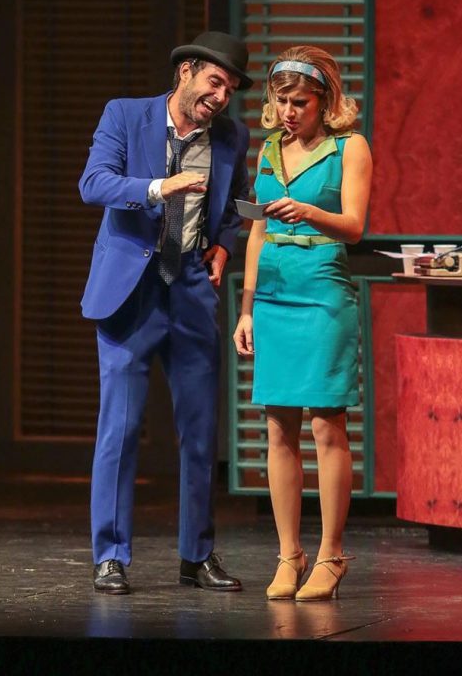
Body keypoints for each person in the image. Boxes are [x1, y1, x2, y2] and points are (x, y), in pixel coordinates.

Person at [80, 31, 252, 595]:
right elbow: (93, 183)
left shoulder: (231, 137)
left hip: (191, 290)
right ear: (186, 72)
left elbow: (234, 206)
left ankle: (196, 556)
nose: (220, 97)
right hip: (131, 292)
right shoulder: (126, 115)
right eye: (214, 82)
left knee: (200, 431)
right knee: (122, 427)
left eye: (230, 90)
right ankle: (110, 555)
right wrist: (159, 186)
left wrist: (224, 246)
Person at [232, 46, 372, 601]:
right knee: (278, 426)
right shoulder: (270, 149)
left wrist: (309, 212)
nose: (288, 112)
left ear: (325, 100)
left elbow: (354, 226)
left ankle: (332, 555)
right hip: (273, 294)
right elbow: (257, 232)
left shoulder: (349, 148)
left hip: (322, 290)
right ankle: (289, 555)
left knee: (325, 425)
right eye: (281, 101)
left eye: (300, 103)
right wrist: (246, 308)